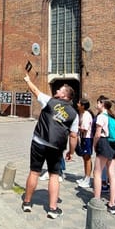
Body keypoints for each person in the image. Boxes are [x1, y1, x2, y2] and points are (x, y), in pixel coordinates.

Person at [21, 74, 78, 219]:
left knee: (34, 172)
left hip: (39, 141)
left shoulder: (50, 101)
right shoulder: (74, 115)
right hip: (56, 147)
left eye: (60, 90)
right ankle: (53, 208)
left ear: (65, 95)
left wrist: (28, 80)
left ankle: (27, 203)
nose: (57, 91)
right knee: (54, 175)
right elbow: (73, 136)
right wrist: (71, 152)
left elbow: (35, 91)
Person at [92, 96, 115, 215]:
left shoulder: (101, 117)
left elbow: (97, 134)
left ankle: (96, 201)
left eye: (98, 103)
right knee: (112, 175)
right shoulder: (112, 117)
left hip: (103, 143)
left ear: (102, 104)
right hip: (113, 144)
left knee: (97, 173)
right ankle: (112, 204)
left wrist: (94, 145)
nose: (96, 105)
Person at [76, 98, 93, 189]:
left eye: (79, 103)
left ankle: (88, 179)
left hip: (87, 138)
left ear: (83, 106)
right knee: (84, 157)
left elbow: (84, 128)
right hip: (83, 137)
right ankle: (85, 176)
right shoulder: (81, 114)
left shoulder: (86, 115)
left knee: (87, 157)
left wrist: (75, 127)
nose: (77, 104)